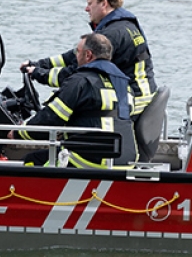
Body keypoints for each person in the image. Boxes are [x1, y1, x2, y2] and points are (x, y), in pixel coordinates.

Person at [20, 0, 157, 118]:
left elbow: (76, 74)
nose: (86, 9)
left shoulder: (110, 35)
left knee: (73, 102)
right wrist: (39, 65)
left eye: (90, 4)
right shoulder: (123, 25)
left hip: (134, 102)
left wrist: (38, 74)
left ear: (104, 3)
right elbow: (75, 56)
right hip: (139, 97)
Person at [13, 33, 137, 169]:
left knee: (32, 160)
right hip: (126, 162)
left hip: (91, 161)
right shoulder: (125, 84)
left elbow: (50, 117)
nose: (75, 57)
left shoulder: (79, 81)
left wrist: (18, 132)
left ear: (88, 55)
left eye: (77, 52)